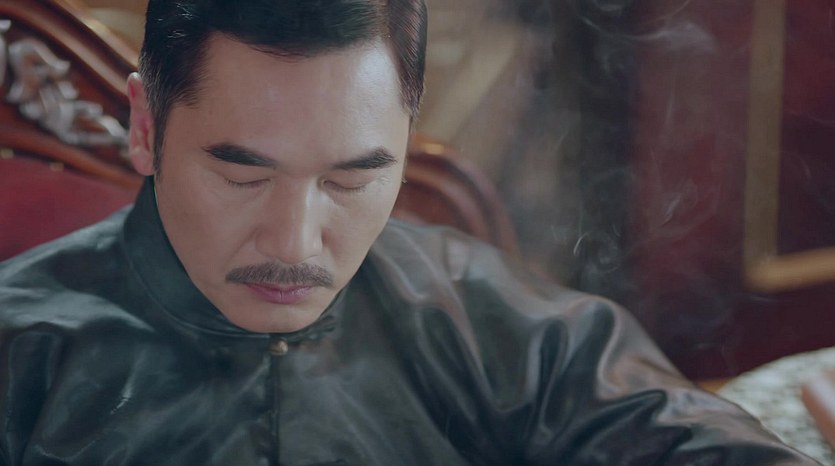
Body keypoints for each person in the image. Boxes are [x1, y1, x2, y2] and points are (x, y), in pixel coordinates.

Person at [0, 0, 820, 464]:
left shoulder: (472, 315)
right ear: (145, 127)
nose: (294, 245)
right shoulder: (22, 357)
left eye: (350, 179)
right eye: (242, 176)